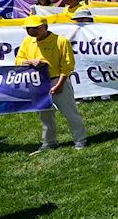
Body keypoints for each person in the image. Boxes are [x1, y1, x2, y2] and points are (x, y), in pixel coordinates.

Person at [15, 15, 87, 154]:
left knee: (70, 113)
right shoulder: (27, 41)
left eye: (35, 28)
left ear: (45, 27)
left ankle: (80, 139)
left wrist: (59, 84)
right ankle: (49, 142)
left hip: (57, 80)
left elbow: (67, 66)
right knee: (45, 115)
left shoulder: (60, 41)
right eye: (28, 28)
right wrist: (30, 61)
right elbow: (18, 60)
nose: (31, 31)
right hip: (37, 83)